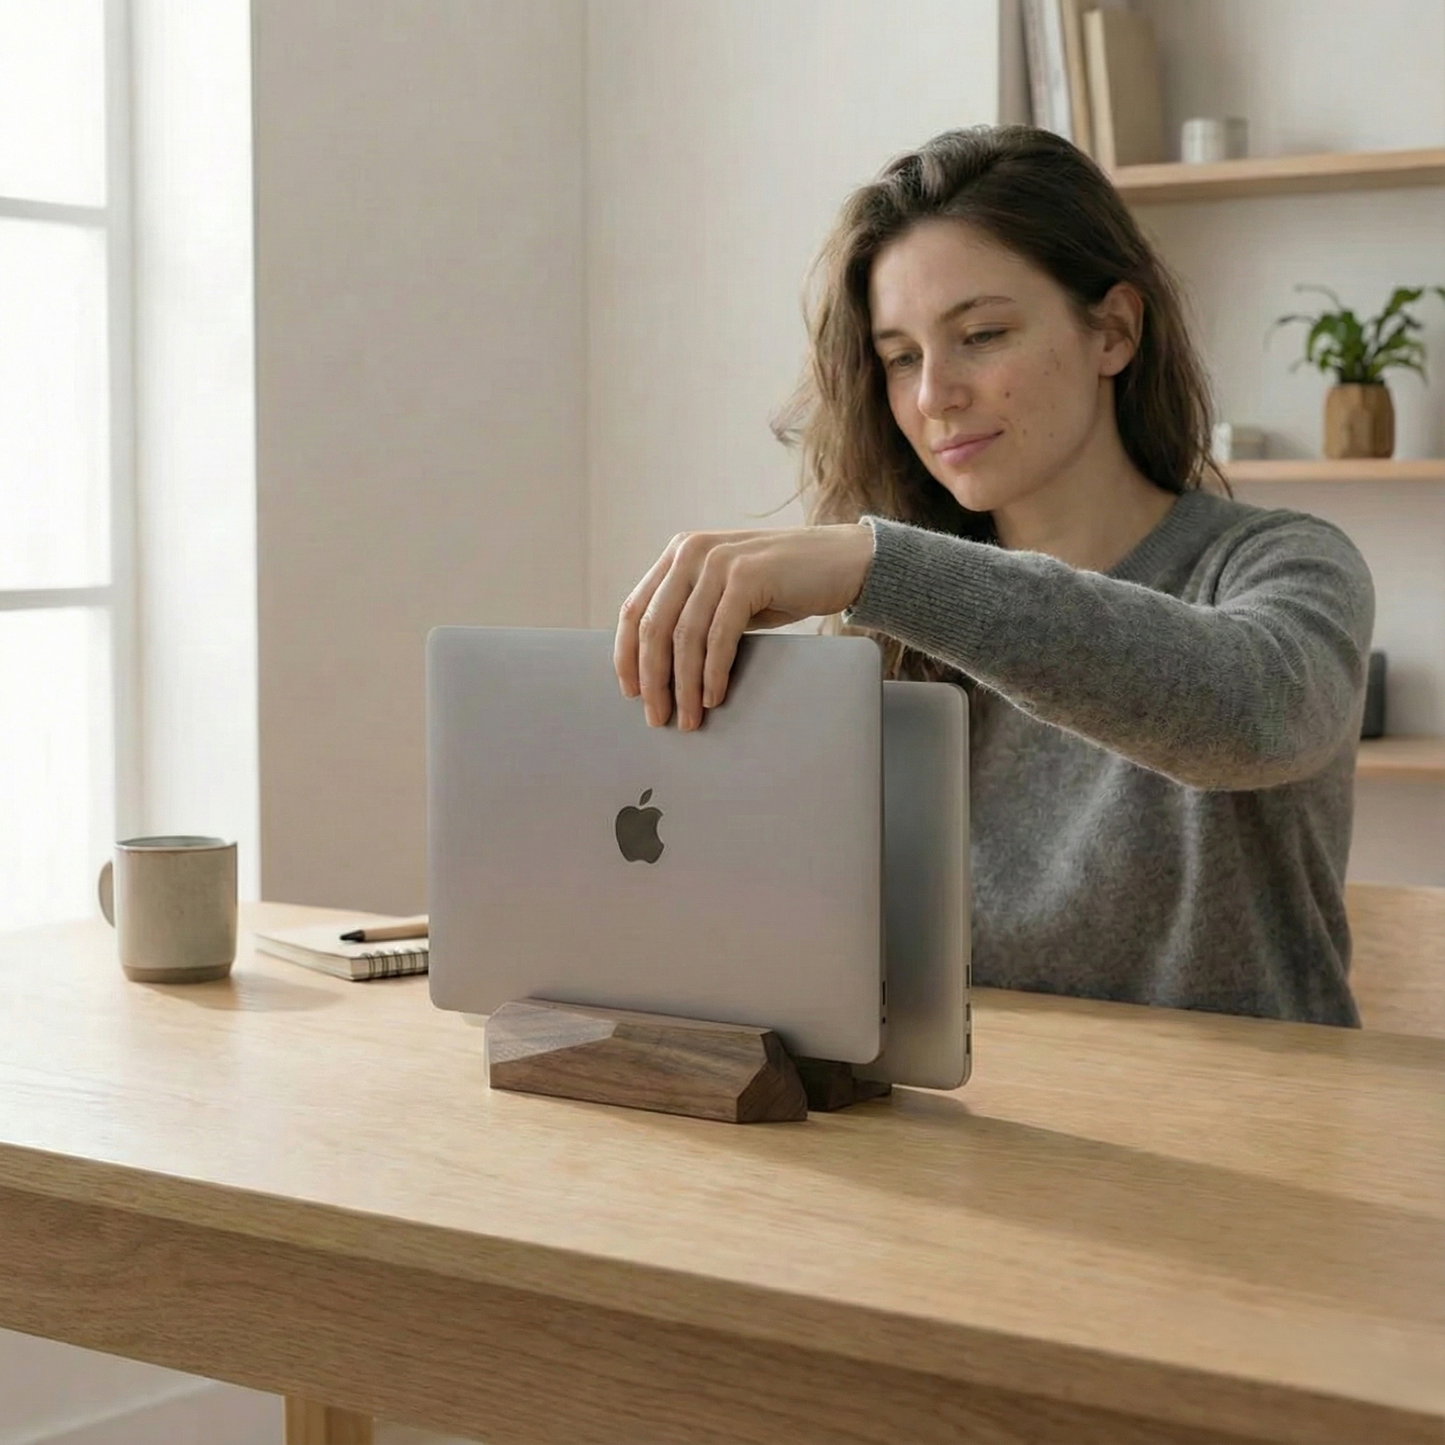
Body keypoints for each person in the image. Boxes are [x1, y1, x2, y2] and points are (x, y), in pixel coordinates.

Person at [611, 125, 1374, 1027]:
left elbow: (1254, 713)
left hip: (1251, 1112)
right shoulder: (890, 622)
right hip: (979, 1107)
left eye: (979, 335)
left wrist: (881, 565)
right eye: (900, 357)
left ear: (1113, 331)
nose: (932, 395)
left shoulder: (1284, 561)